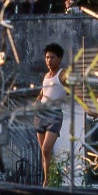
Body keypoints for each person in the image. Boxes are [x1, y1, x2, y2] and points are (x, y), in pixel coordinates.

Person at [35, 43, 68, 187]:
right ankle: (52, 177)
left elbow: (78, 91)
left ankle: (46, 181)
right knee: (45, 154)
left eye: (52, 57)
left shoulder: (64, 74)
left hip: (54, 115)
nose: (49, 60)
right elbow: (43, 93)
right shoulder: (46, 76)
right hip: (40, 114)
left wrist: (88, 109)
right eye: (47, 57)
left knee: (46, 149)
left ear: (59, 59)